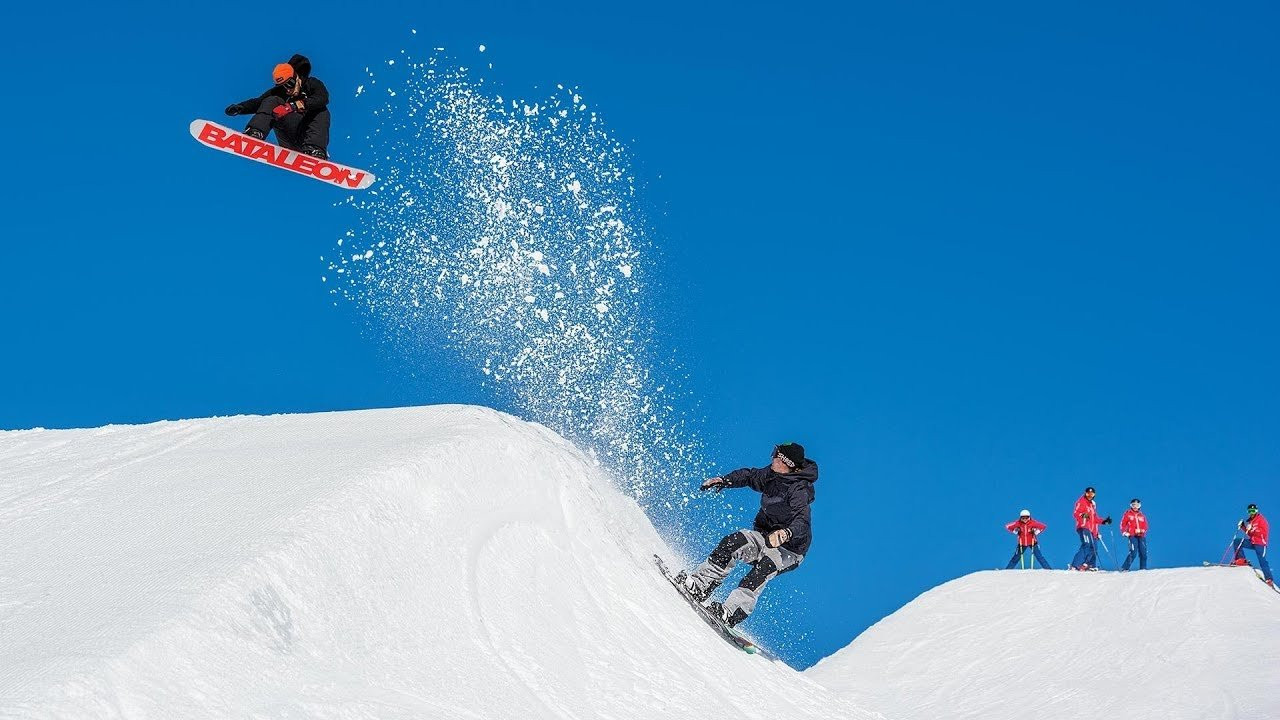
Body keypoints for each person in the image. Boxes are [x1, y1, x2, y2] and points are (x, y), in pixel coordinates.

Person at [675, 443, 817, 628]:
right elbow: (750, 476)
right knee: (734, 542)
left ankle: (731, 612)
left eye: (775, 455)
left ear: (786, 462)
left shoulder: (799, 490)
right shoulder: (773, 474)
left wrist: (786, 533)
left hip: (789, 549)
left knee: (765, 567)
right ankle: (700, 585)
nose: (771, 457)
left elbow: (802, 521)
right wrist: (725, 480)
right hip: (764, 536)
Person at [224, 54, 331, 159]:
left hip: (307, 136)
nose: (287, 89)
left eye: (289, 84)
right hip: (288, 134)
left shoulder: (312, 84)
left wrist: (293, 106)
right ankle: (255, 132)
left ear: (296, 77)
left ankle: (315, 149)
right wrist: (240, 107)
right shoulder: (279, 93)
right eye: (283, 86)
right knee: (272, 100)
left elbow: (322, 98)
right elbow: (258, 102)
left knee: (322, 111)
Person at [1069, 486, 1112, 571]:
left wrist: (1104, 521)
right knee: (1087, 545)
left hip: (1092, 530)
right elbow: (1075, 513)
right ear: (1085, 493)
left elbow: (1095, 518)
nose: (1090, 495)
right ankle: (1075, 565)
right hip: (1084, 527)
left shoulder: (1092, 505)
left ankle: (1090, 565)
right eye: (1088, 493)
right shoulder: (1081, 501)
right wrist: (1082, 515)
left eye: (1092, 494)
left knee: (1094, 548)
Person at [1232, 503, 1273, 587]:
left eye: (1253, 511)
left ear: (1256, 511)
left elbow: (1263, 532)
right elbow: (1250, 533)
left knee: (1262, 560)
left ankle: (1269, 579)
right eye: (1250, 511)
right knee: (1237, 541)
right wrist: (1243, 527)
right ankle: (1241, 560)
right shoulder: (1251, 521)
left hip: (1261, 543)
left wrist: (1254, 529)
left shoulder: (1261, 520)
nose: (1251, 513)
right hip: (1253, 542)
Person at [1120, 498, 1149, 571]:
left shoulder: (1142, 515)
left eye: (1137, 505)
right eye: (1133, 505)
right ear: (1131, 506)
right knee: (1133, 552)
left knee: (1143, 553)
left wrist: (1142, 530)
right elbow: (1122, 524)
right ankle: (1125, 568)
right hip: (1132, 536)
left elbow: (1146, 526)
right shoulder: (1128, 514)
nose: (1135, 507)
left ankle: (1143, 569)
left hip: (1141, 536)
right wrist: (1124, 532)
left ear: (1139, 506)